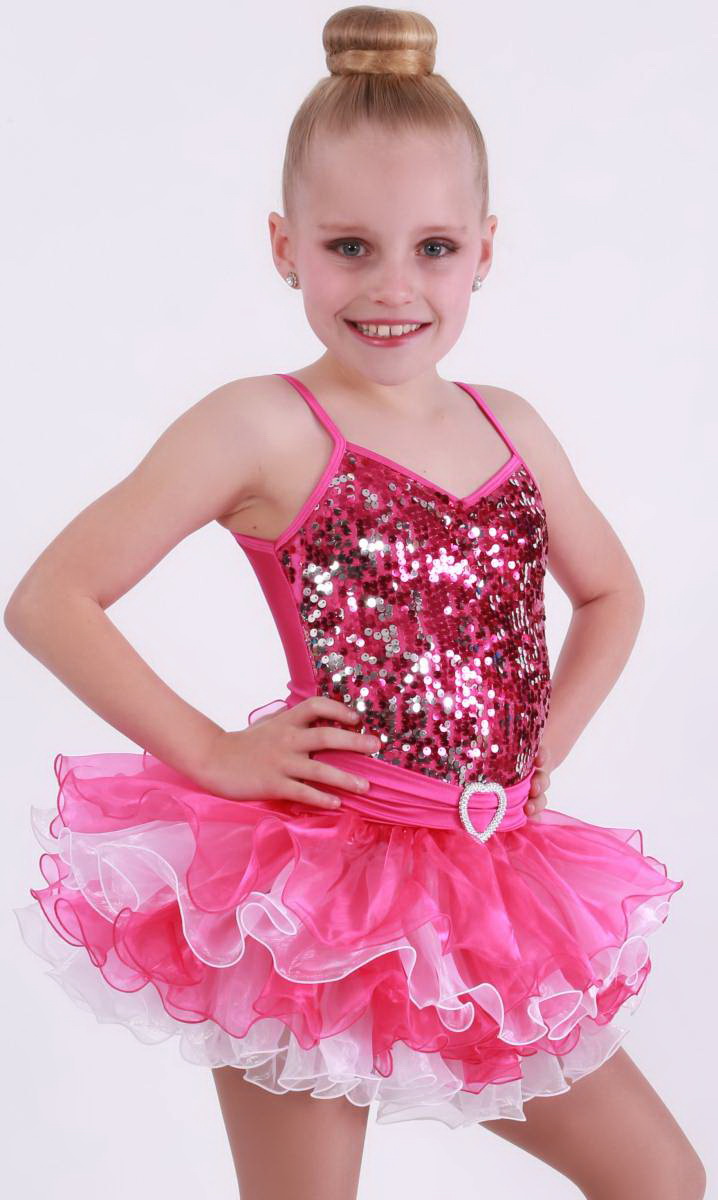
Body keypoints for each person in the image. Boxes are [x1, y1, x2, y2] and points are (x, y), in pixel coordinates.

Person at [7, 5, 705, 1199]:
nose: (392, 287)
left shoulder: (511, 426)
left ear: (485, 248)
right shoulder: (263, 424)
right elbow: (51, 597)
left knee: (660, 1179)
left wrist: (541, 747)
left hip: (489, 886)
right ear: (285, 245)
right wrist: (214, 753)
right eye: (348, 247)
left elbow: (611, 591)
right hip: (310, 892)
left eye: (432, 247)